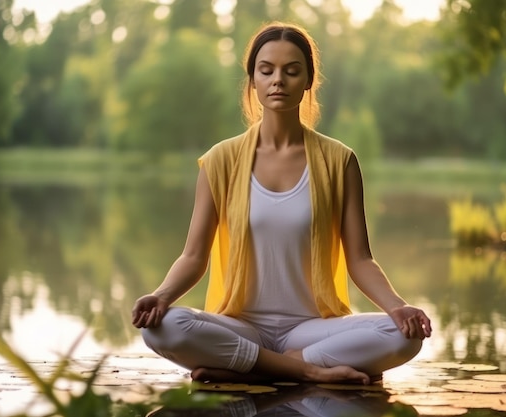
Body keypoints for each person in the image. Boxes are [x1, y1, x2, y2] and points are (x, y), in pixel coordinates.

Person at [132, 21, 432, 386]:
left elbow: (360, 259)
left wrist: (398, 307)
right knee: (163, 328)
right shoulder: (219, 161)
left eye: (292, 71)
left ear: (308, 81)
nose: (278, 80)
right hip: (240, 326)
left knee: (405, 335)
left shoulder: (340, 161)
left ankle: (252, 368)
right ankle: (306, 371)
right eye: (267, 70)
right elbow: (194, 257)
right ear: (252, 80)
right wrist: (161, 296)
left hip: (313, 328)